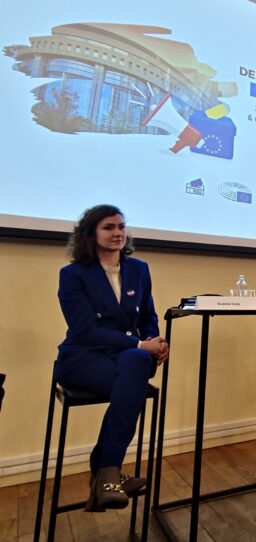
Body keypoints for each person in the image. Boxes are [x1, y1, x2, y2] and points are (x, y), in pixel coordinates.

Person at [55, 205, 169, 510]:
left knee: (136, 363)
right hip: (83, 359)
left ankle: (104, 473)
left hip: (127, 359)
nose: (118, 232)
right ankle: (108, 471)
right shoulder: (73, 275)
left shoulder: (139, 269)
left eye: (121, 226)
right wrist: (140, 345)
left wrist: (156, 342)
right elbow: (85, 331)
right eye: (108, 227)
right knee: (134, 373)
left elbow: (148, 316)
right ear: (91, 234)